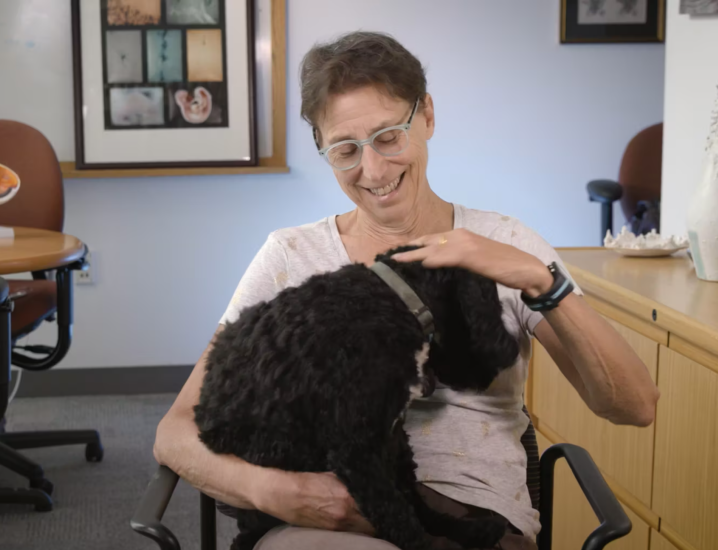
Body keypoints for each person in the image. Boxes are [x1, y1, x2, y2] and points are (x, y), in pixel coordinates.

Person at [153, 31, 660, 550]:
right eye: (345, 150)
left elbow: (635, 406)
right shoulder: (291, 256)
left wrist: (542, 281)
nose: (373, 170)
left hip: (473, 515)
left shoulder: (506, 245)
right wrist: (272, 490)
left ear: (428, 118)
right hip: (319, 513)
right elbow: (175, 432)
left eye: (389, 136)